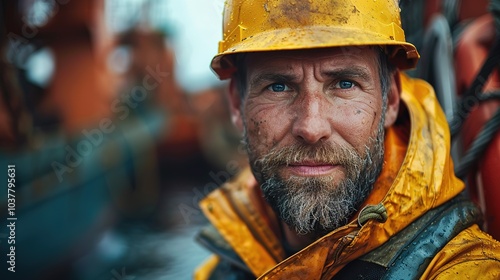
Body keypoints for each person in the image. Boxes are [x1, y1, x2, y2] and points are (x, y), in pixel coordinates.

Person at [193, 0, 500, 279]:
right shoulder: (222, 266)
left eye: (344, 83)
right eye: (278, 87)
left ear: (391, 98)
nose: (311, 128)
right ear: (236, 104)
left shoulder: (466, 268)